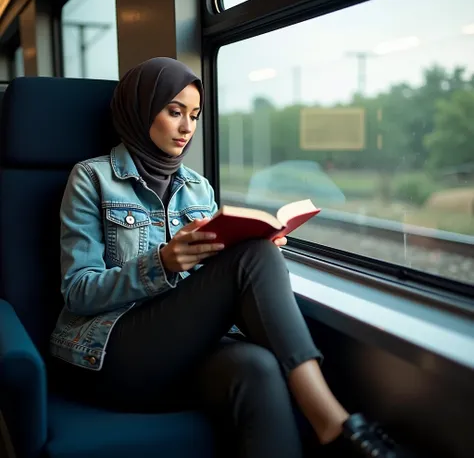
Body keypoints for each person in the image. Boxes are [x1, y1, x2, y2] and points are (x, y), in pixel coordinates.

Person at [49, 57, 406, 458]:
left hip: (181, 353)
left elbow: (209, 288)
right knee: (251, 259)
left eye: (195, 115)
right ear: (141, 110)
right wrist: (162, 263)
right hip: (111, 355)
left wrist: (248, 256)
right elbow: (78, 292)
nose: (188, 128)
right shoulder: (91, 178)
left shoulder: (197, 187)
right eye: (174, 112)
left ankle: (330, 425)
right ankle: (333, 424)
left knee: (257, 365)